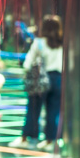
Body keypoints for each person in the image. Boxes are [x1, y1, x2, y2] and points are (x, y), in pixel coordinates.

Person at [13, 14, 64, 148]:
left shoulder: (39, 42)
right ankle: (50, 141)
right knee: (54, 111)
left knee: (33, 109)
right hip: (58, 79)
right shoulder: (62, 44)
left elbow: (28, 63)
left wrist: (26, 74)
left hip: (41, 78)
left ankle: (26, 139)